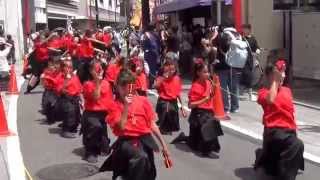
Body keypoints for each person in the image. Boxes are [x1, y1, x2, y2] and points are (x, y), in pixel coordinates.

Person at [100, 69, 171, 180]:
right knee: (140, 158)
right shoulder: (114, 105)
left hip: (145, 140)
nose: (127, 90)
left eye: (130, 86)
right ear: (117, 87)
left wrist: (164, 145)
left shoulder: (143, 101)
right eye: (123, 87)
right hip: (127, 141)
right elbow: (121, 127)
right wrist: (127, 106)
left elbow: (152, 124)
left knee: (147, 170)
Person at [254, 58, 304, 180]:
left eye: (283, 73)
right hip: (274, 131)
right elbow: (270, 100)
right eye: (278, 73)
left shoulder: (287, 90)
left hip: (289, 132)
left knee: (294, 146)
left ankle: (266, 157)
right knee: (297, 144)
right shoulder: (263, 92)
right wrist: (275, 82)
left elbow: (290, 114)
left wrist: (294, 131)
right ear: (269, 75)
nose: (282, 76)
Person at [172, 61, 223, 156]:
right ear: (198, 73)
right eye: (204, 72)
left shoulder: (209, 82)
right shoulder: (195, 86)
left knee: (210, 126)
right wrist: (204, 100)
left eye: (208, 72)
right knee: (194, 144)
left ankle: (207, 148)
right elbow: (190, 105)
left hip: (208, 112)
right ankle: (185, 138)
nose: (207, 74)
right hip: (199, 113)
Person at [81, 61, 113, 163]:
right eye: (97, 69)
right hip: (91, 115)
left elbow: (110, 100)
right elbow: (96, 97)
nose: (99, 71)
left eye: (101, 69)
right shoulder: (87, 84)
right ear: (91, 71)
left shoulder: (107, 84)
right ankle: (90, 151)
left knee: (105, 149)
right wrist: (97, 82)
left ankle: (101, 144)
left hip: (103, 115)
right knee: (96, 127)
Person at [154, 59, 185, 135]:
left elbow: (178, 94)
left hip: (173, 102)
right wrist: (163, 78)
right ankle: (161, 125)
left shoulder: (177, 78)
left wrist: (182, 108)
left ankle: (164, 125)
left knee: (173, 119)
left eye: (173, 69)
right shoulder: (161, 78)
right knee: (167, 110)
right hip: (163, 101)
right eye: (169, 70)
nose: (171, 71)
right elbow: (155, 86)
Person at [55, 60, 82, 138]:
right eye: (67, 67)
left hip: (75, 98)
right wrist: (66, 80)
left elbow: (79, 88)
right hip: (65, 99)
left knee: (77, 116)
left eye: (71, 67)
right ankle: (65, 130)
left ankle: (72, 127)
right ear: (63, 68)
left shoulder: (74, 76)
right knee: (70, 112)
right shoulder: (60, 77)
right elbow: (59, 90)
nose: (69, 69)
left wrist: (81, 98)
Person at [241, 24, 261, 101]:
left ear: (249, 30)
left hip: (250, 60)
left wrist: (257, 51)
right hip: (242, 60)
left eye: (245, 29)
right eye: (243, 29)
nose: (244, 30)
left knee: (249, 75)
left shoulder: (253, 39)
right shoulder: (241, 38)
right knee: (245, 75)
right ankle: (244, 92)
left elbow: (257, 47)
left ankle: (249, 93)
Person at [40, 59, 61, 124]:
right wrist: (43, 79)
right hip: (49, 91)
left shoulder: (60, 73)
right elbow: (42, 84)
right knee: (47, 104)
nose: (52, 67)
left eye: (54, 65)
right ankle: (50, 118)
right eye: (51, 65)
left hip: (57, 92)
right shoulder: (46, 72)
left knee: (56, 105)